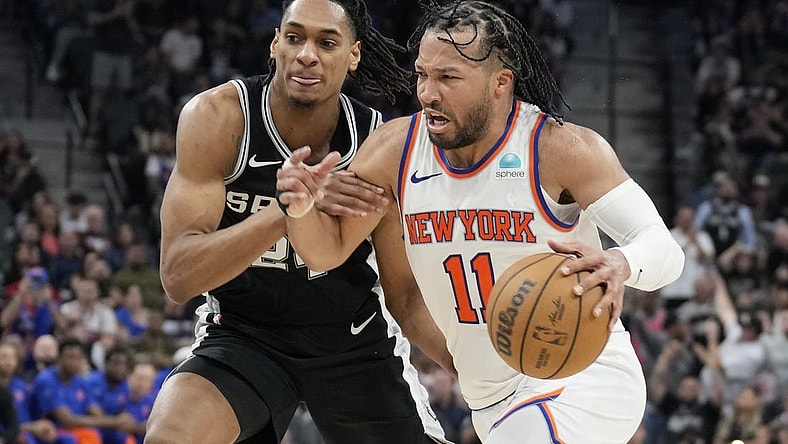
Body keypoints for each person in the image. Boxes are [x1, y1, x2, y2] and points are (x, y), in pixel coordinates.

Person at [278, 1, 686, 443]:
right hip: (491, 404)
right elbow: (331, 252)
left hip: (584, 378)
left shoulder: (560, 149)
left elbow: (664, 250)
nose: (428, 93)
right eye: (422, 75)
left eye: (449, 78)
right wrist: (300, 210)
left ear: (501, 83)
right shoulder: (394, 152)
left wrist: (620, 264)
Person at [144, 0, 451, 443]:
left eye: (327, 43)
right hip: (245, 336)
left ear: (353, 56)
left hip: (353, 341)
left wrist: (467, 367)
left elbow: (403, 295)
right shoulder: (219, 118)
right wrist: (287, 210)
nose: (307, 53)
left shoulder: (374, 144)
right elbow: (176, 277)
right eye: (294, 37)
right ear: (275, 44)